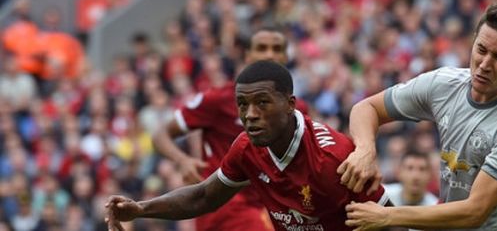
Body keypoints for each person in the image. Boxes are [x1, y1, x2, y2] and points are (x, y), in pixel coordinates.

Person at [105, 60, 388, 231]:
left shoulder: (334, 158)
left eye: (262, 103)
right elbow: (204, 196)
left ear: (290, 105)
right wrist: (141, 209)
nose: (250, 115)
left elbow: (391, 219)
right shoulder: (246, 148)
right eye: (242, 105)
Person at [339, 2, 497, 230]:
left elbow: (474, 211)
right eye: (481, 50)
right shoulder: (444, 84)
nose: (485, 65)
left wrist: (387, 216)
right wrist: (365, 151)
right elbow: (366, 108)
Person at [150, 28, 293, 231]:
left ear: (286, 57)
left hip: (267, 207)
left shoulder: (294, 109)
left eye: (276, 49)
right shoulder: (219, 99)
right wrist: (183, 160)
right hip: (226, 207)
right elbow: (160, 135)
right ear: (248, 55)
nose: (269, 54)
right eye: (262, 48)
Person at [383, 150, 439, 231]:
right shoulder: (383, 195)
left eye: (422, 169)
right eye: (410, 168)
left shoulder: (435, 209)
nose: (416, 176)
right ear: (399, 172)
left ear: (430, 175)